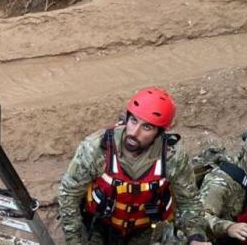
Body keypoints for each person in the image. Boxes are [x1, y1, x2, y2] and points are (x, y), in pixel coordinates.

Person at [58, 87, 211, 245]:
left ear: (159, 133)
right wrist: (74, 241)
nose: (134, 133)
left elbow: (189, 202)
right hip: (98, 226)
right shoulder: (96, 148)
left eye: (147, 127)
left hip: (145, 231)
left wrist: (196, 237)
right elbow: (69, 195)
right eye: (133, 121)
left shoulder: (172, 157)